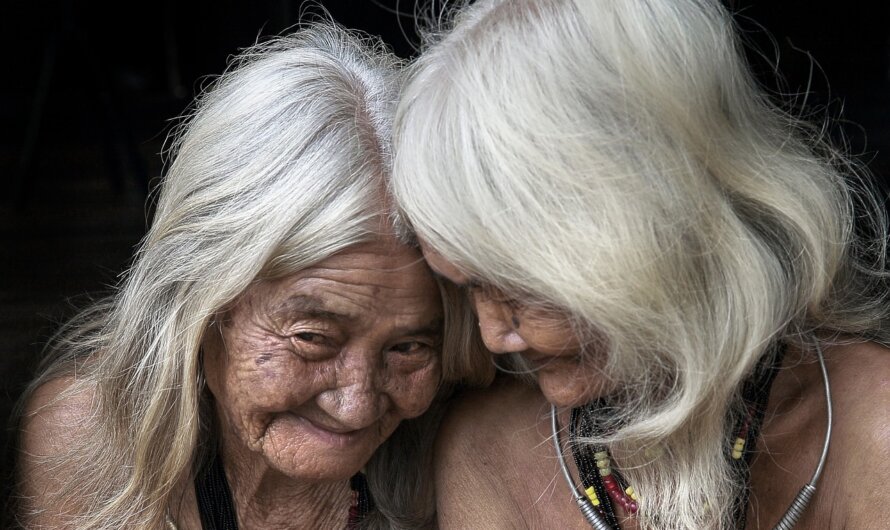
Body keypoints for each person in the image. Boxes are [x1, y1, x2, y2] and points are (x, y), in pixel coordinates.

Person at [389, 0, 890, 528]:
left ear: (657, 219)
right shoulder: (490, 453)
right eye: (468, 287)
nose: (494, 336)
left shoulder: (871, 429)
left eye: (518, 285)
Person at [13, 22, 464, 529]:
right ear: (202, 301)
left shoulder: (467, 454)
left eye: (409, 349)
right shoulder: (89, 441)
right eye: (312, 337)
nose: (356, 405)